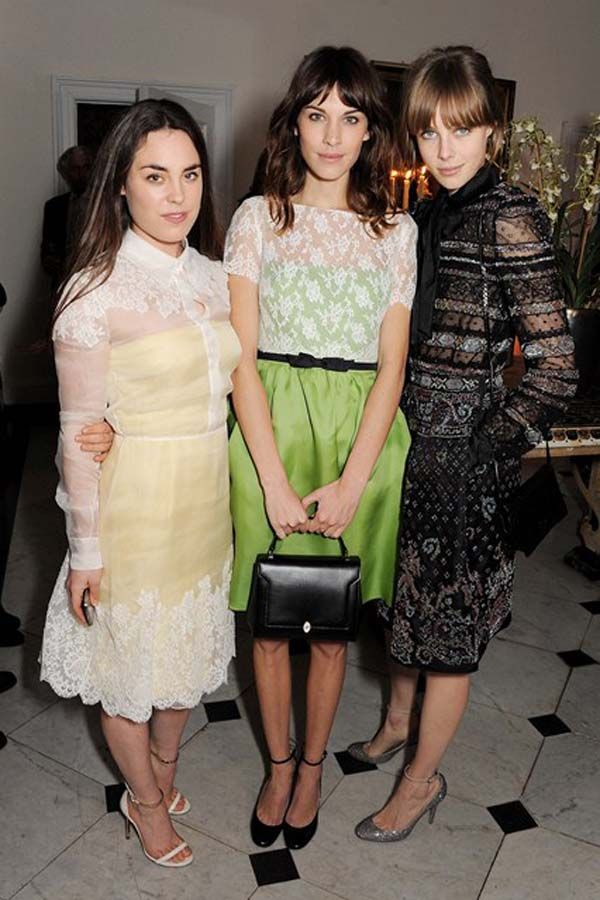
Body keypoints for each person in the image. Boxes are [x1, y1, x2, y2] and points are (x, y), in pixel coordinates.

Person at [350, 45, 578, 842]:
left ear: (492, 132)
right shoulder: (420, 214)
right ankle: (395, 724)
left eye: (462, 129)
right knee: (399, 602)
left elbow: (556, 366)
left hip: (463, 459)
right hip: (403, 446)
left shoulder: (511, 213)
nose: (444, 150)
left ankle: (421, 782)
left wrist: (486, 448)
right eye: (429, 132)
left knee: (447, 633)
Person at [224, 45, 416, 850]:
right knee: (269, 623)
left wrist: (353, 482)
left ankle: (311, 770)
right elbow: (240, 358)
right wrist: (270, 479)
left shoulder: (395, 230)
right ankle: (277, 765)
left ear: (370, 131)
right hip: (267, 430)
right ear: (294, 123)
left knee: (332, 625)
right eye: (316, 115)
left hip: (356, 443)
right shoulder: (256, 218)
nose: (332, 135)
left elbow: (392, 369)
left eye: (350, 116)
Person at [40, 99, 240, 867]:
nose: (177, 194)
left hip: (206, 505)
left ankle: (163, 766)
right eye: (155, 176)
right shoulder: (95, 288)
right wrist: (85, 551)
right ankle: (145, 801)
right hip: (135, 512)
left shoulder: (215, 277)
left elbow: (222, 387)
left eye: (189, 174)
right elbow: (75, 432)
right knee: (128, 673)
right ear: (120, 185)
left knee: (184, 664)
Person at [41, 145, 94, 288]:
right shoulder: (54, 207)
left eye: (86, 167)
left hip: (97, 281)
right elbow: (47, 252)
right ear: (65, 174)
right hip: (64, 282)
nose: (82, 173)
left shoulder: (108, 204)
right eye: (76, 169)